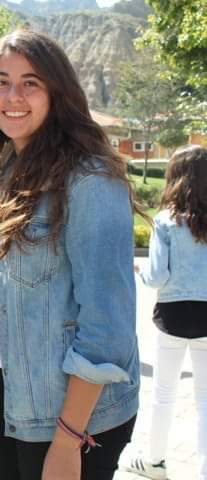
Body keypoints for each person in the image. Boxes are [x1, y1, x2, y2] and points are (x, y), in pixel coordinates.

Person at [0, 29, 141, 480]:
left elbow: (107, 329)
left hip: (69, 415)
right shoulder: (4, 174)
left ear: (57, 93)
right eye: (2, 82)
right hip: (9, 395)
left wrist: (67, 439)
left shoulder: (90, 179)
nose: (14, 96)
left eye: (31, 82)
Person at [126, 145, 207, 480]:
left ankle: (156, 462)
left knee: (163, 394)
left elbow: (158, 276)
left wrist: (141, 272)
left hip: (173, 318)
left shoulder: (165, 221)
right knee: (205, 400)